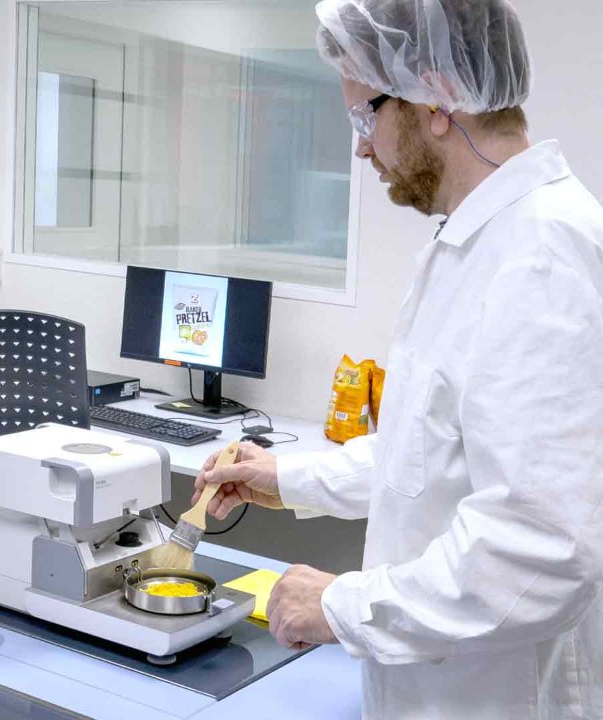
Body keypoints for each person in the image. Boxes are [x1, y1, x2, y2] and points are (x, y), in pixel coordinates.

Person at [192, 0, 603, 717]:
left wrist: (342, 606)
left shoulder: (541, 256)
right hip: (434, 684)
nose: (361, 148)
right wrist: (284, 477)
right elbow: (429, 453)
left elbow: (539, 547)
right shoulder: (472, 243)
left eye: (363, 117)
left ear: (435, 97)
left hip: (497, 697)